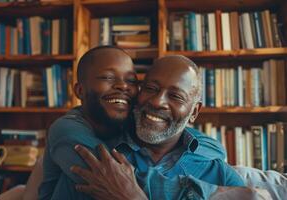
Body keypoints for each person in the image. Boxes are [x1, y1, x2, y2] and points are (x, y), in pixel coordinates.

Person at [39, 52, 245, 200]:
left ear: (194, 112)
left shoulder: (217, 170)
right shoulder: (100, 150)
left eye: (175, 96)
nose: (157, 102)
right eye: (150, 88)